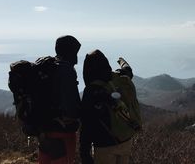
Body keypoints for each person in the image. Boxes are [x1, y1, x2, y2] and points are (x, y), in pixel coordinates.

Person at [80, 49, 141, 164]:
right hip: (125, 139)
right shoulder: (118, 77)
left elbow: (87, 124)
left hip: (104, 145)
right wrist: (121, 61)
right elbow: (128, 70)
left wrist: (84, 152)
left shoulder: (91, 91)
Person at [38, 35, 82, 164]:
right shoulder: (66, 70)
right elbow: (71, 106)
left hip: (44, 131)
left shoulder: (49, 67)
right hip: (63, 132)